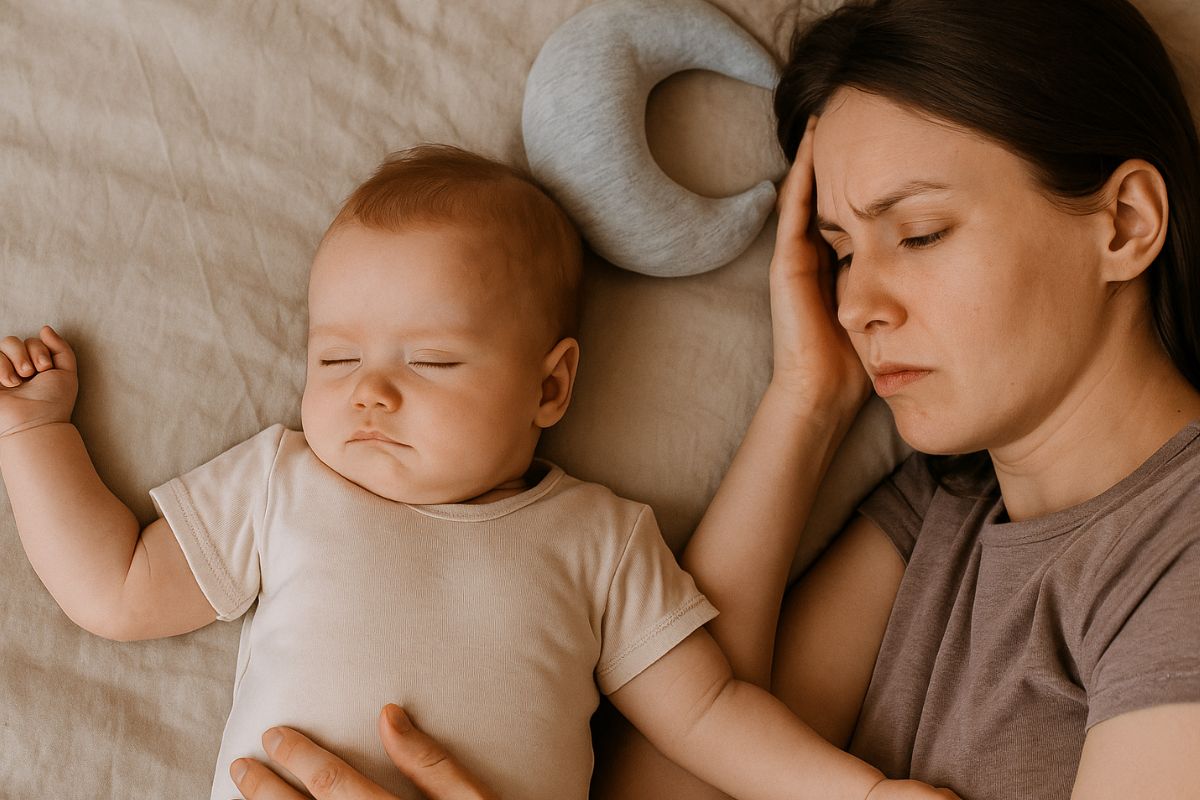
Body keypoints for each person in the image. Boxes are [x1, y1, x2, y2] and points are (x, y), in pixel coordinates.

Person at [221, 0, 1200, 797]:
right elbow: (676, 760)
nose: (857, 302)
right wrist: (807, 400)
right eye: (840, 251)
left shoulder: (1175, 547)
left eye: (922, 231)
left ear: (1123, 221)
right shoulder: (940, 514)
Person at [0, 146, 954, 800]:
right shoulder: (285, 484)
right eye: (335, 360)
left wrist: (856, 788)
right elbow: (118, 589)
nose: (369, 394)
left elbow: (705, 713)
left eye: (431, 362)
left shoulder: (598, 539)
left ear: (550, 385)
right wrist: (36, 437)